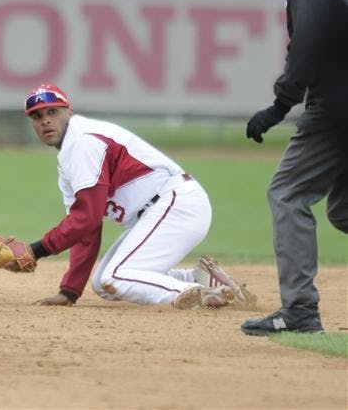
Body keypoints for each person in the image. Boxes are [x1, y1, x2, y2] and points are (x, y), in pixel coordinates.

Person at [16, 84, 255, 309]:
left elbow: (86, 219)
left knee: (117, 277)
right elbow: (85, 230)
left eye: (53, 112)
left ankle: (199, 294)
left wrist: (36, 250)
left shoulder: (83, 142)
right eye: (37, 116)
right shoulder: (68, 157)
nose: (46, 120)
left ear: (69, 111)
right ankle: (201, 279)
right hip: (162, 211)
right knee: (104, 285)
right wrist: (69, 291)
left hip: (176, 204)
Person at [241, 0, 348, 336]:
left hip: (336, 107)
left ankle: (300, 310)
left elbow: (307, 46)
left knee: (287, 194)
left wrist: (278, 106)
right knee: (342, 209)